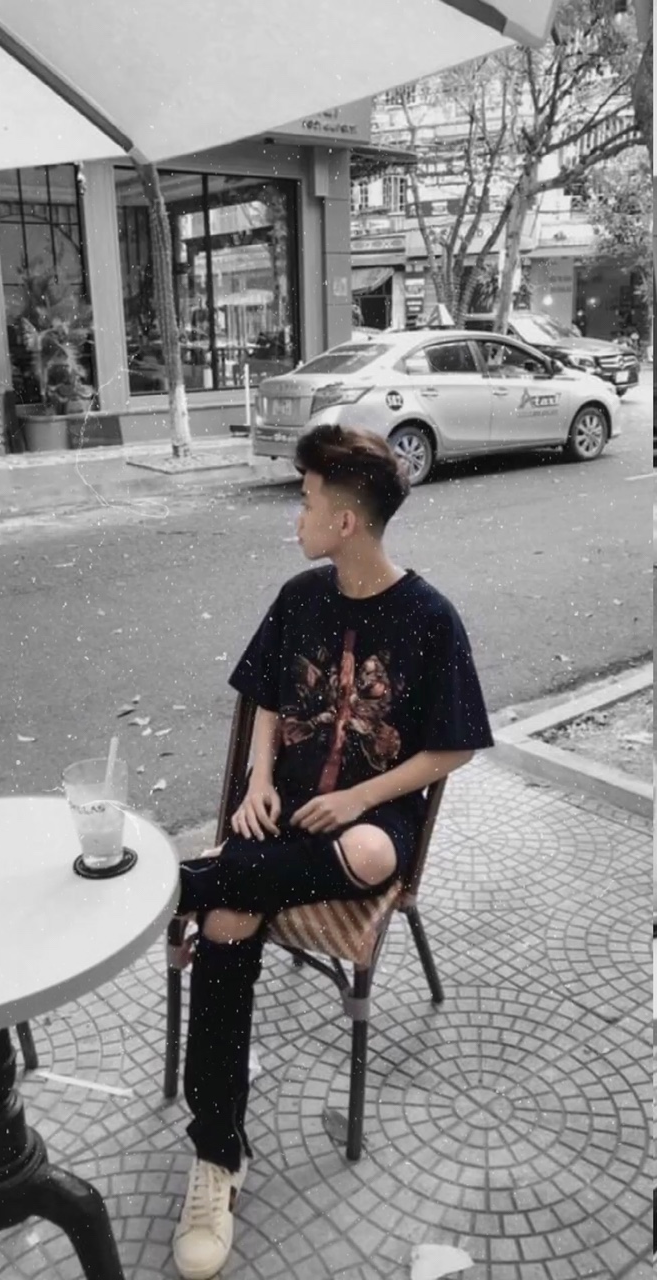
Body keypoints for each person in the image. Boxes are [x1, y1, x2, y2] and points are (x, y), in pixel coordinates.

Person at [171, 424, 494, 1280]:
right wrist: (257, 779)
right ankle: (218, 1154)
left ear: (345, 522)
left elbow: (455, 746)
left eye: (308, 501)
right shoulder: (299, 596)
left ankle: (176, 887)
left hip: (367, 822)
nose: (298, 516)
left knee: (373, 856)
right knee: (229, 920)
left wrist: (359, 796)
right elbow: (267, 696)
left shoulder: (430, 618)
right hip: (281, 819)